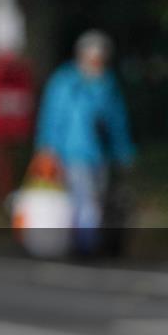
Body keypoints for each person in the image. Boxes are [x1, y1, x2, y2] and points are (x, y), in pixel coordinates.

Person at [34, 30, 135, 254]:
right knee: (84, 200)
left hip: (100, 155)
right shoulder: (65, 83)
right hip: (71, 153)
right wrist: (47, 149)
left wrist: (124, 153)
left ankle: (88, 242)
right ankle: (84, 245)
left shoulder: (106, 84)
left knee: (95, 199)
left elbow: (116, 121)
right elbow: (52, 118)